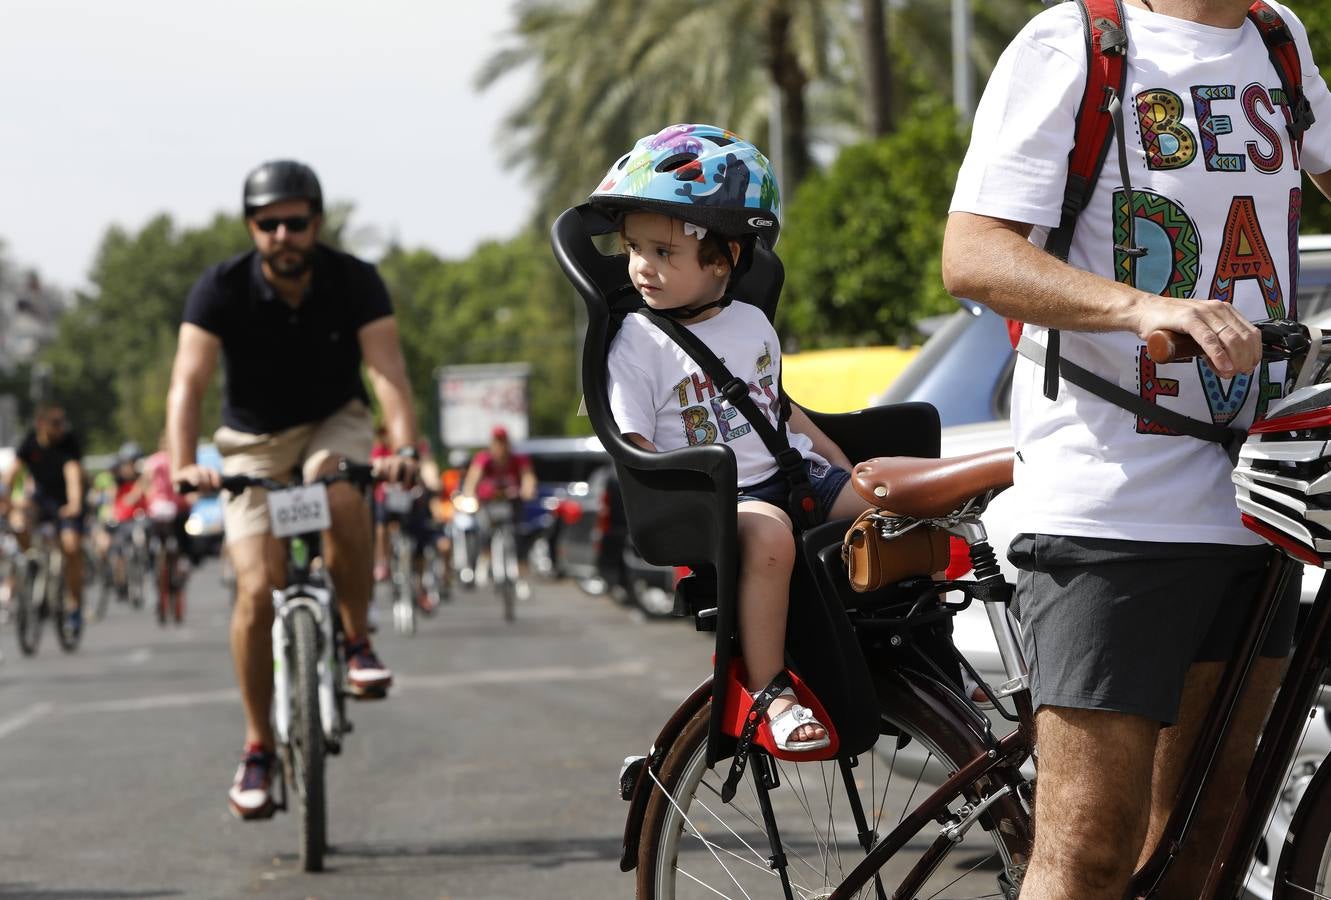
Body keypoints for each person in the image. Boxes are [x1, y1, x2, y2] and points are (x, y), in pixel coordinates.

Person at [941, 2, 1331, 896]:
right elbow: (973, 254)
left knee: (1206, 848)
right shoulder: (1072, 43)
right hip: (1108, 502)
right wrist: (1139, 307)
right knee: (1088, 856)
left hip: (1254, 502)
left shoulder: (1275, 38)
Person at [589, 123, 874, 751]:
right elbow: (634, 440)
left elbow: (781, 410)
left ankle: (900, 654)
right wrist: (688, 492)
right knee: (771, 534)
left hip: (791, 477)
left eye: (664, 252)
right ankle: (772, 690)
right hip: (719, 501)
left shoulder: (751, 324)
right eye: (635, 248)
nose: (642, 267)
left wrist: (845, 468)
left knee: (888, 496)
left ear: (724, 259)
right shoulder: (638, 343)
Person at [165, 159, 421, 821]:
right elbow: (186, 385)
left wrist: (405, 448)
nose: (283, 235)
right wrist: (182, 465)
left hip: (333, 423)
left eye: (295, 221)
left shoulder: (355, 280)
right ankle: (257, 746)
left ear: (317, 221)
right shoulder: (218, 288)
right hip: (252, 443)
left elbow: (387, 371)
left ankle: (356, 638)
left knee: (336, 488)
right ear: (252, 228)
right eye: (268, 224)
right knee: (257, 588)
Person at [0, 404, 86, 637]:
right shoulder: (31, 442)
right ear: (41, 425)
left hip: (66, 501)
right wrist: (4, 497)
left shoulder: (68, 442)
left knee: (71, 547)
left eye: (62, 424)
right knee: (18, 521)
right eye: (55, 424)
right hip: (41, 500)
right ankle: (32, 559)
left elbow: (72, 472)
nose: (60, 429)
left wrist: (75, 502)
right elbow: (12, 473)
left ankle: (74, 607)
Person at [460, 426, 537, 595]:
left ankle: (520, 578)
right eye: (497, 442)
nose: (500, 447)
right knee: (484, 533)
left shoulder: (518, 459)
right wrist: (470, 495)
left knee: (518, 537)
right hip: (489, 503)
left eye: (503, 442)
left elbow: (527, 476)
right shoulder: (484, 459)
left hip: (511, 502)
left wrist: (528, 489)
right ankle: (481, 564)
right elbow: (472, 479)